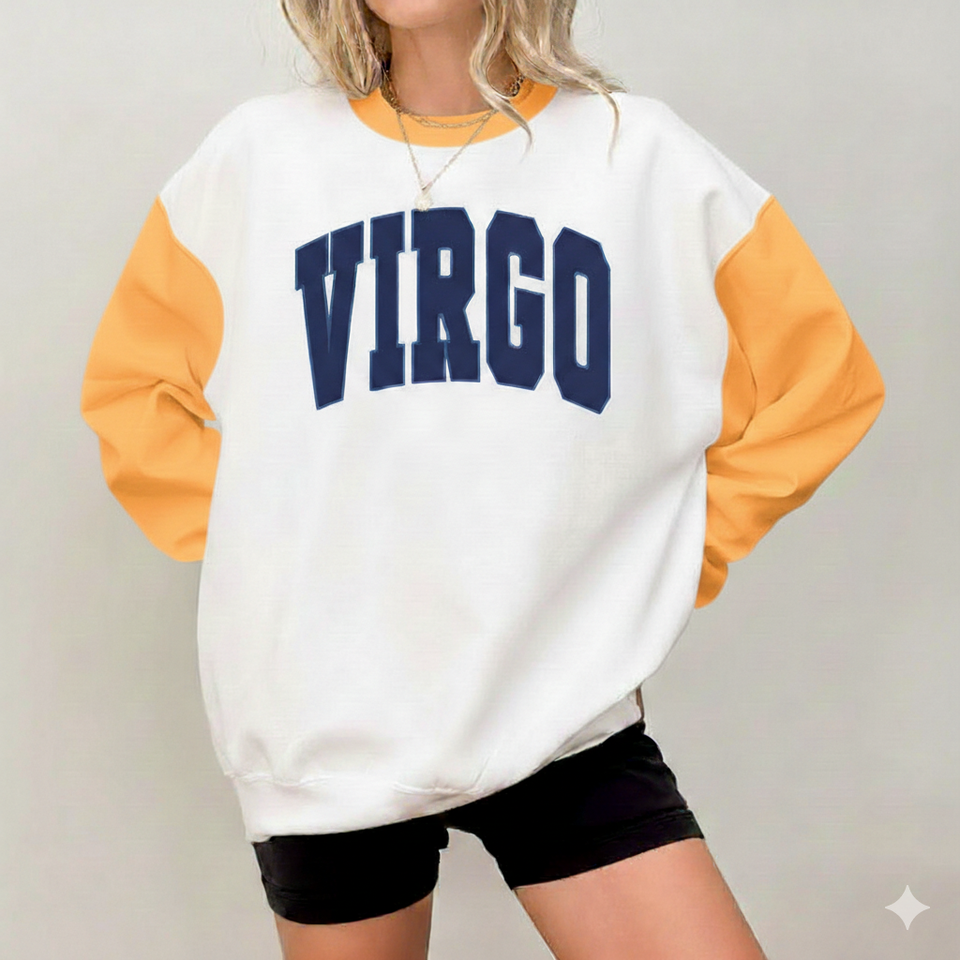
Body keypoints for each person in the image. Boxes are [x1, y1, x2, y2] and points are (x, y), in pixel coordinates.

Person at [79, 1, 886, 957]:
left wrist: (664, 565)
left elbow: (823, 385)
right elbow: (132, 393)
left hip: (556, 708)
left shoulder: (641, 158)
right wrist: (279, 560)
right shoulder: (255, 159)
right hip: (327, 721)